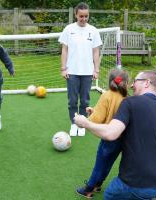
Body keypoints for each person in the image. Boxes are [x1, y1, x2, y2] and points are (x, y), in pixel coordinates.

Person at [74, 71, 156, 200]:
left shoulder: (128, 101)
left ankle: (90, 187)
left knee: (109, 189)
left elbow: (110, 132)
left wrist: (85, 122)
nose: (132, 85)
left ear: (146, 83)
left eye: (135, 81)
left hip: (135, 178)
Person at [76, 69, 129, 198]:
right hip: (121, 138)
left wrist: (86, 118)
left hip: (108, 138)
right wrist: (94, 110)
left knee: (100, 162)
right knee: (109, 162)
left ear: (110, 81)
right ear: (126, 83)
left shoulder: (107, 95)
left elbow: (97, 119)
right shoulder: (127, 98)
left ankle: (88, 188)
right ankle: (98, 184)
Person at [58, 2, 102, 137]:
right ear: (76, 15)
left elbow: (96, 52)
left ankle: (81, 124)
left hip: (88, 72)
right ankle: (73, 123)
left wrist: (96, 70)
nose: (83, 19)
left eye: (86, 16)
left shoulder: (93, 31)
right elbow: (64, 50)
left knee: (85, 101)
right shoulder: (69, 29)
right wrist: (63, 69)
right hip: (72, 72)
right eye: (81, 16)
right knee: (72, 100)